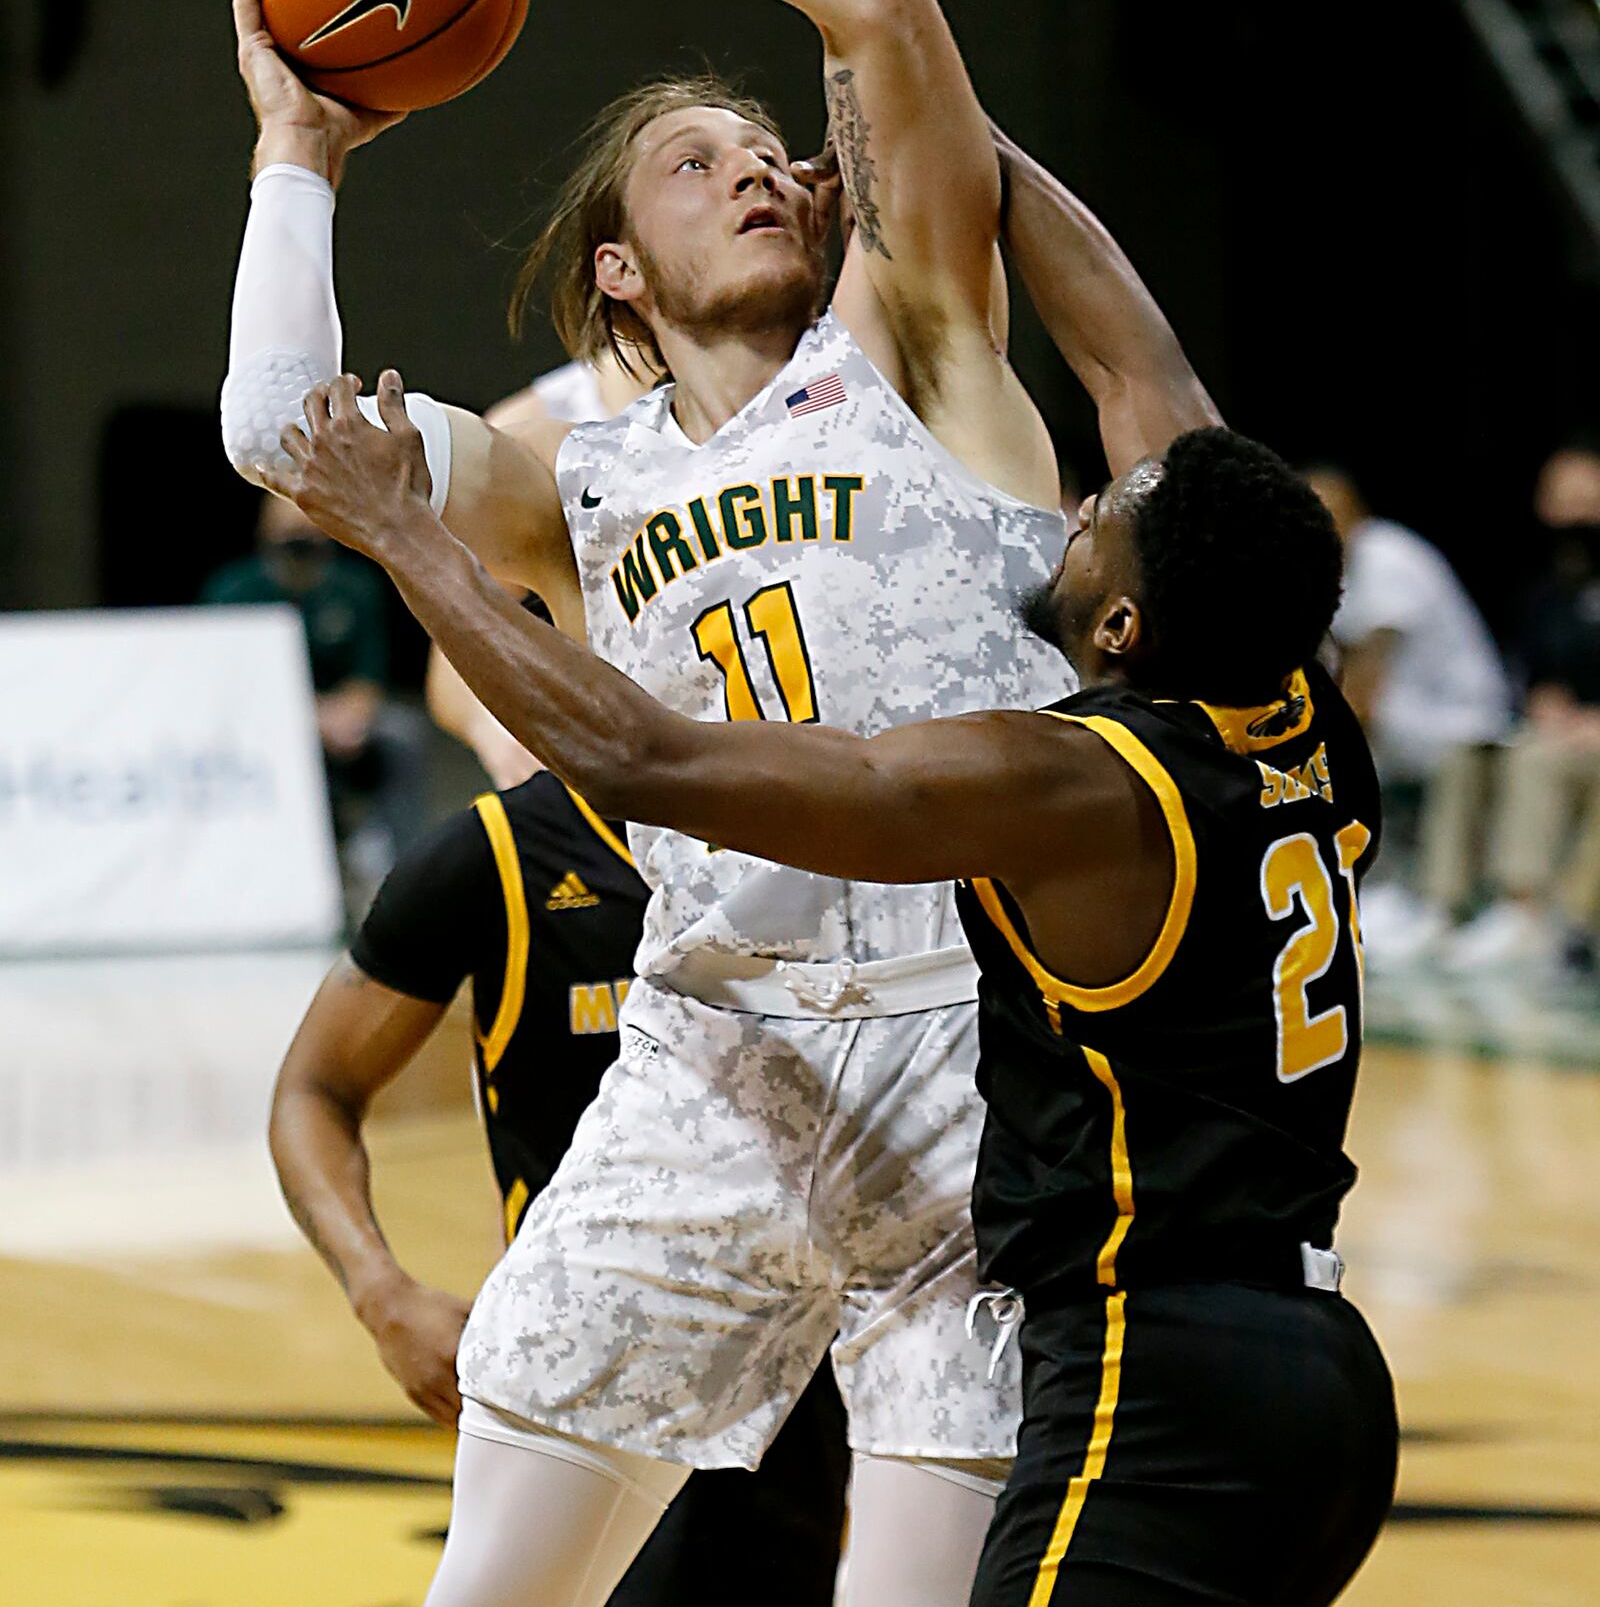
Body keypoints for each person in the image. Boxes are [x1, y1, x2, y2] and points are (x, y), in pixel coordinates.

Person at [225, 0, 1214, 1606]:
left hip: (978, 1051)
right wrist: (299, 144)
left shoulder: (916, 335)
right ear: (618, 271)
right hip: (710, 1061)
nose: (757, 164)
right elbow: (282, 435)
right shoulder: (571, 483)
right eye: (696, 161)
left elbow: (881, 0)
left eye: (768, 148)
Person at [277, 396, 1396, 1607]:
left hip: (1155, 1371)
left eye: (1095, 528)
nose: (1071, 516)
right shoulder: (1307, 731)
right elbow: (1158, 398)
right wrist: (1005, 193)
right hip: (1323, 1375)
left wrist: (407, 541)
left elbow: (644, 760)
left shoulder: (1068, 786)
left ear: (1123, 622)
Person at [269, 768, 849, 1605]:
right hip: (601, 1356)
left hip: (808, 1364)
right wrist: (379, 1290)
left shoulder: (808, 825)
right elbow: (312, 1089)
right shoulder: (500, 853)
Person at [1304, 464, 1510, 959]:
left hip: (1462, 720)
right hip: (1407, 724)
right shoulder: (1327, 565)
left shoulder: (1388, 559)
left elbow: (1365, 690)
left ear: (1360, 515)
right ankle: (1367, 889)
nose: (1322, 526)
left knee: (1331, 740)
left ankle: (1401, 899)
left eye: (1333, 514)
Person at [425, 352, 652, 789]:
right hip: (614, 750)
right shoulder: (529, 425)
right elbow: (449, 669)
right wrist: (495, 732)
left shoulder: (782, 387)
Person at [200, 489, 425, 888]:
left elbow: (370, 672)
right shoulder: (234, 590)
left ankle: (402, 869)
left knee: (402, 733)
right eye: (287, 531)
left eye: (307, 529)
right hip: (261, 721)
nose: (298, 543)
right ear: (265, 531)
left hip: (343, 720)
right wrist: (309, 715)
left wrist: (355, 710)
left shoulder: (355, 586)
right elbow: (227, 681)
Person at [1451, 440, 1600, 975]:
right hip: (1557, 732)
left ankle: (1529, 912)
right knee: (1466, 754)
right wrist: (1544, 701)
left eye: (1585, 496)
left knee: (1538, 761)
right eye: (1561, 498)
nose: (1573, 513)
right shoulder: (1547, 585)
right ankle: (1444, 910)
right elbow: (1532, 671)